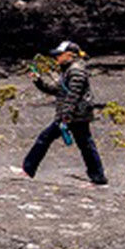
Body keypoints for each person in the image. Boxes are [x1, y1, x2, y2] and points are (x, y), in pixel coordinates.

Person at [21, 40, 107, 186]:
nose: (57, 58)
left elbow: (73, 95)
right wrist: (38, 81)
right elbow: (56, 89)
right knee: (84, 145)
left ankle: (28, 170)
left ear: (69, 55)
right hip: (72, 115)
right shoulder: (68, 69)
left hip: (75, 116)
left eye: (59, 55)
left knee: (50, 139)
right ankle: (98, 177)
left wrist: (66, 116)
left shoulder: (76, 71)